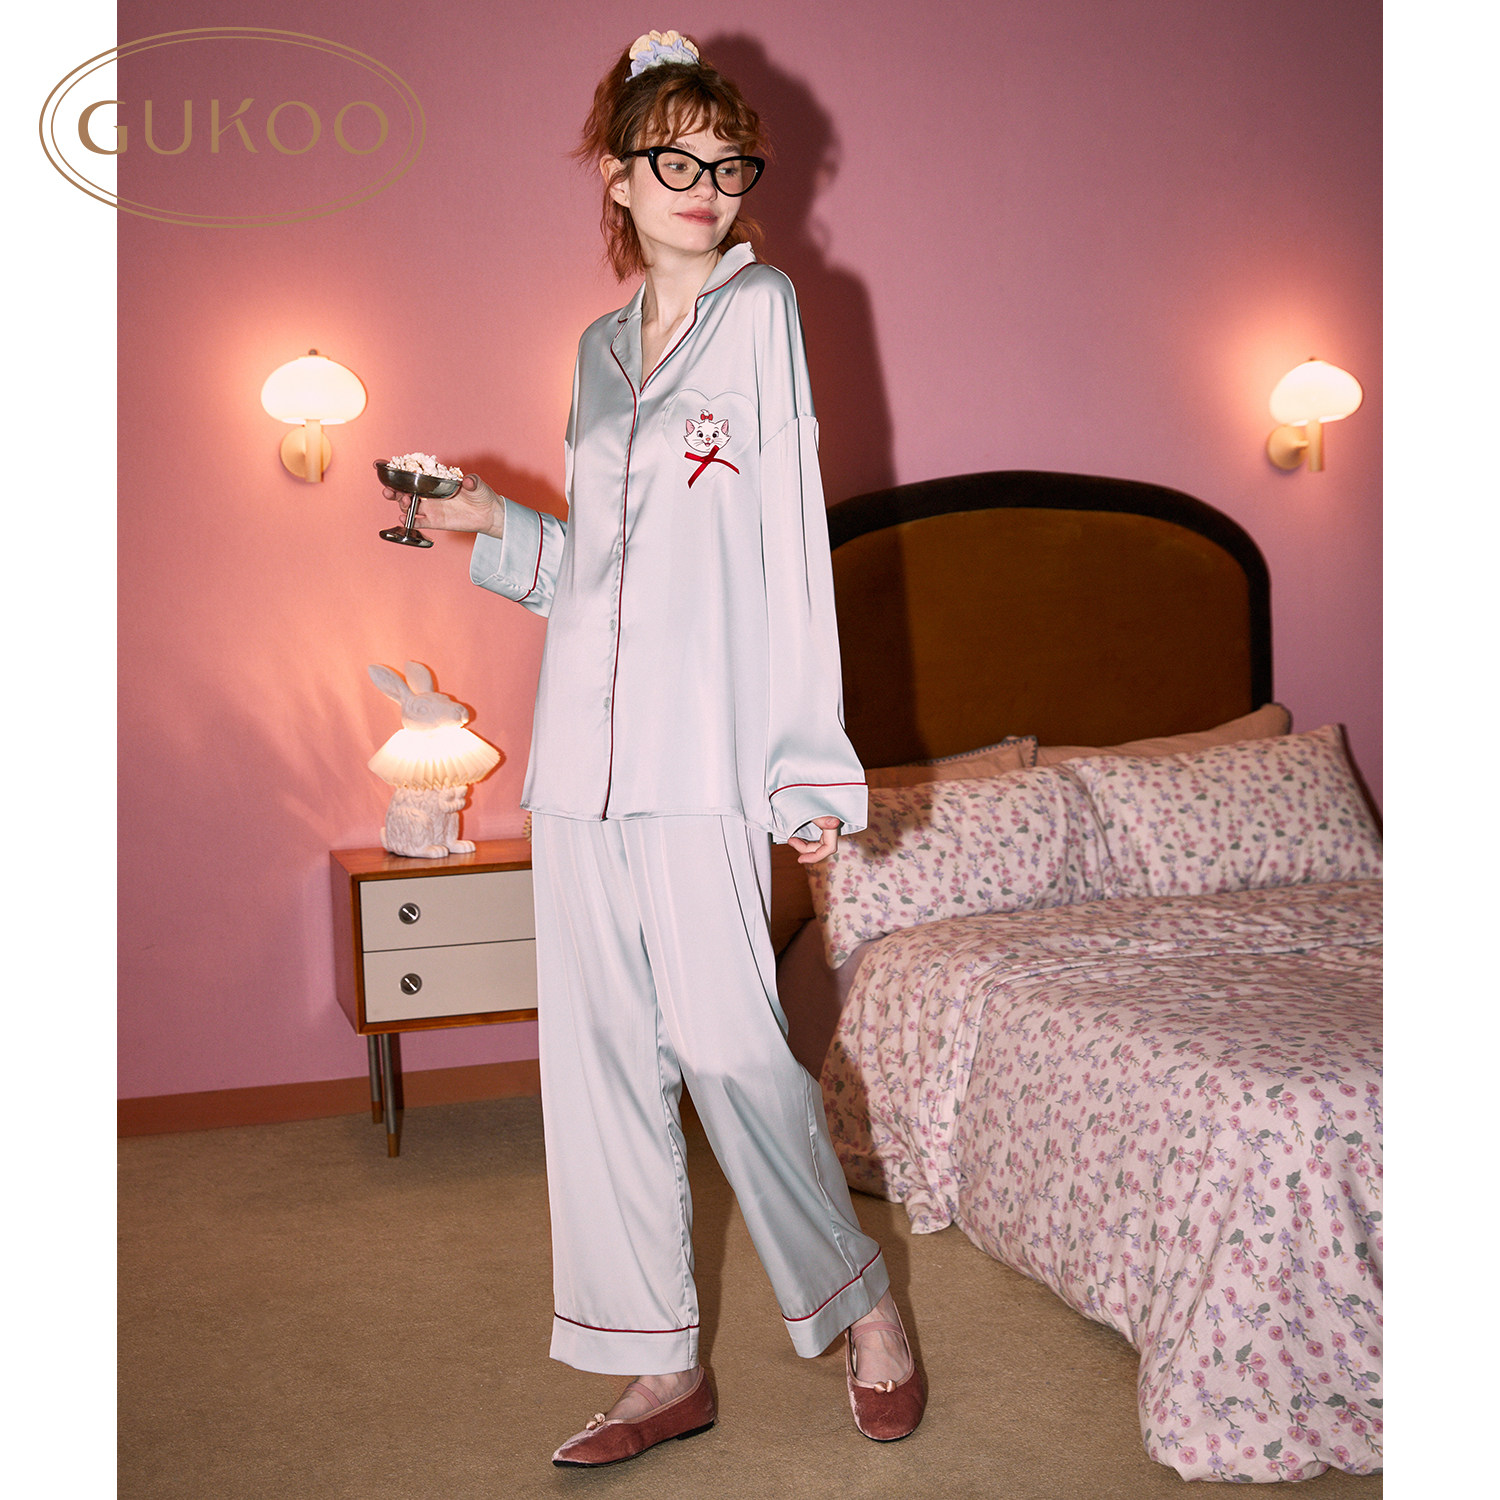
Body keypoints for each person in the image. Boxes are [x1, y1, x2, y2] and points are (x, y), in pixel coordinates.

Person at [383, 27, 925, 1466]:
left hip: (703, 756)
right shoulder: (595, 351)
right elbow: (600, 572)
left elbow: (787, 549)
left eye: (728, 164)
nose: (706, 187)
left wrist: (802, 762)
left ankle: (863, 1305)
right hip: (578, 763)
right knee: (602, 1068)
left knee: (736, 1052)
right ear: (617, 179)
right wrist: (487, 524)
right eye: (673, 161)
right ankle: (656, 1366)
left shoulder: (762, 313)